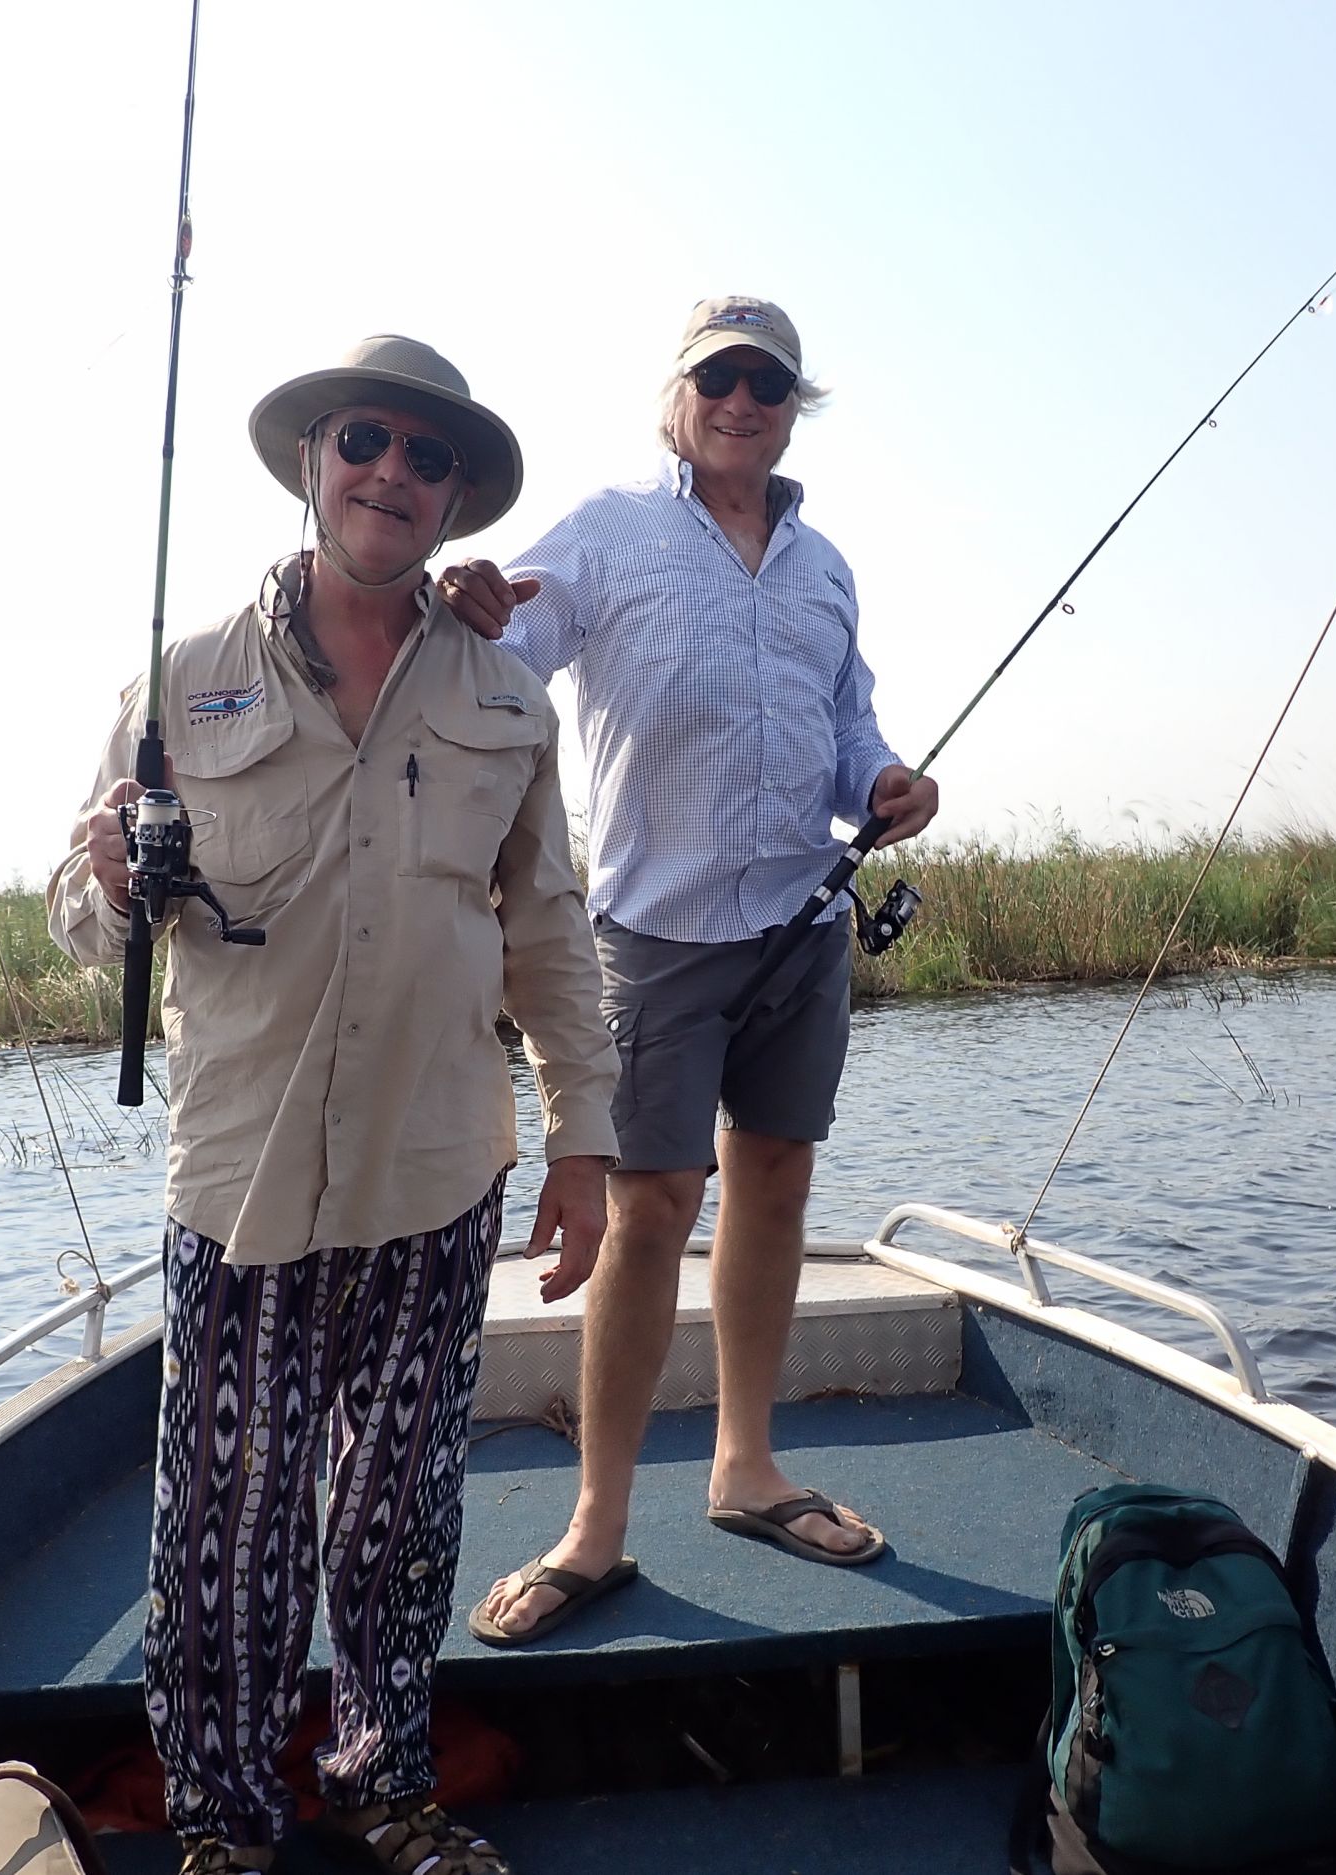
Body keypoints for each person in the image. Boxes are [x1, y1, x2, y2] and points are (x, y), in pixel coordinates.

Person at [47, 336, 619, 1875]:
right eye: (366, 439)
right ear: (314, 460)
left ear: (454, 497)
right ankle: (224, 1823)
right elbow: (79, 915)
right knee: (223, 1523)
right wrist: (109, 882)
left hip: (440, 1171)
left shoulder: (509, 697)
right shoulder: (180, 683)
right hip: (243, 1178)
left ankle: (384, 1784)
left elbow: (550, 930)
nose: (392, 473)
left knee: (399, 1509)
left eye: (429, 457)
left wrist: (583, 1140)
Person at [446, 297, 939, 1646]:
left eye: (767, 384)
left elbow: (850, 725)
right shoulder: (610, 532)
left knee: (776, 1180)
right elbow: (503, 651)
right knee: (651, 1207)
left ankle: (747, 1469)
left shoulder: (825, 566)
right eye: (717, 377)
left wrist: (888, 783)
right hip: (653, 935)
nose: (741, 402)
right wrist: (467, 604)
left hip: (801, 919)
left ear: (794, 409)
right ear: (677, 396)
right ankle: (596, 1527)